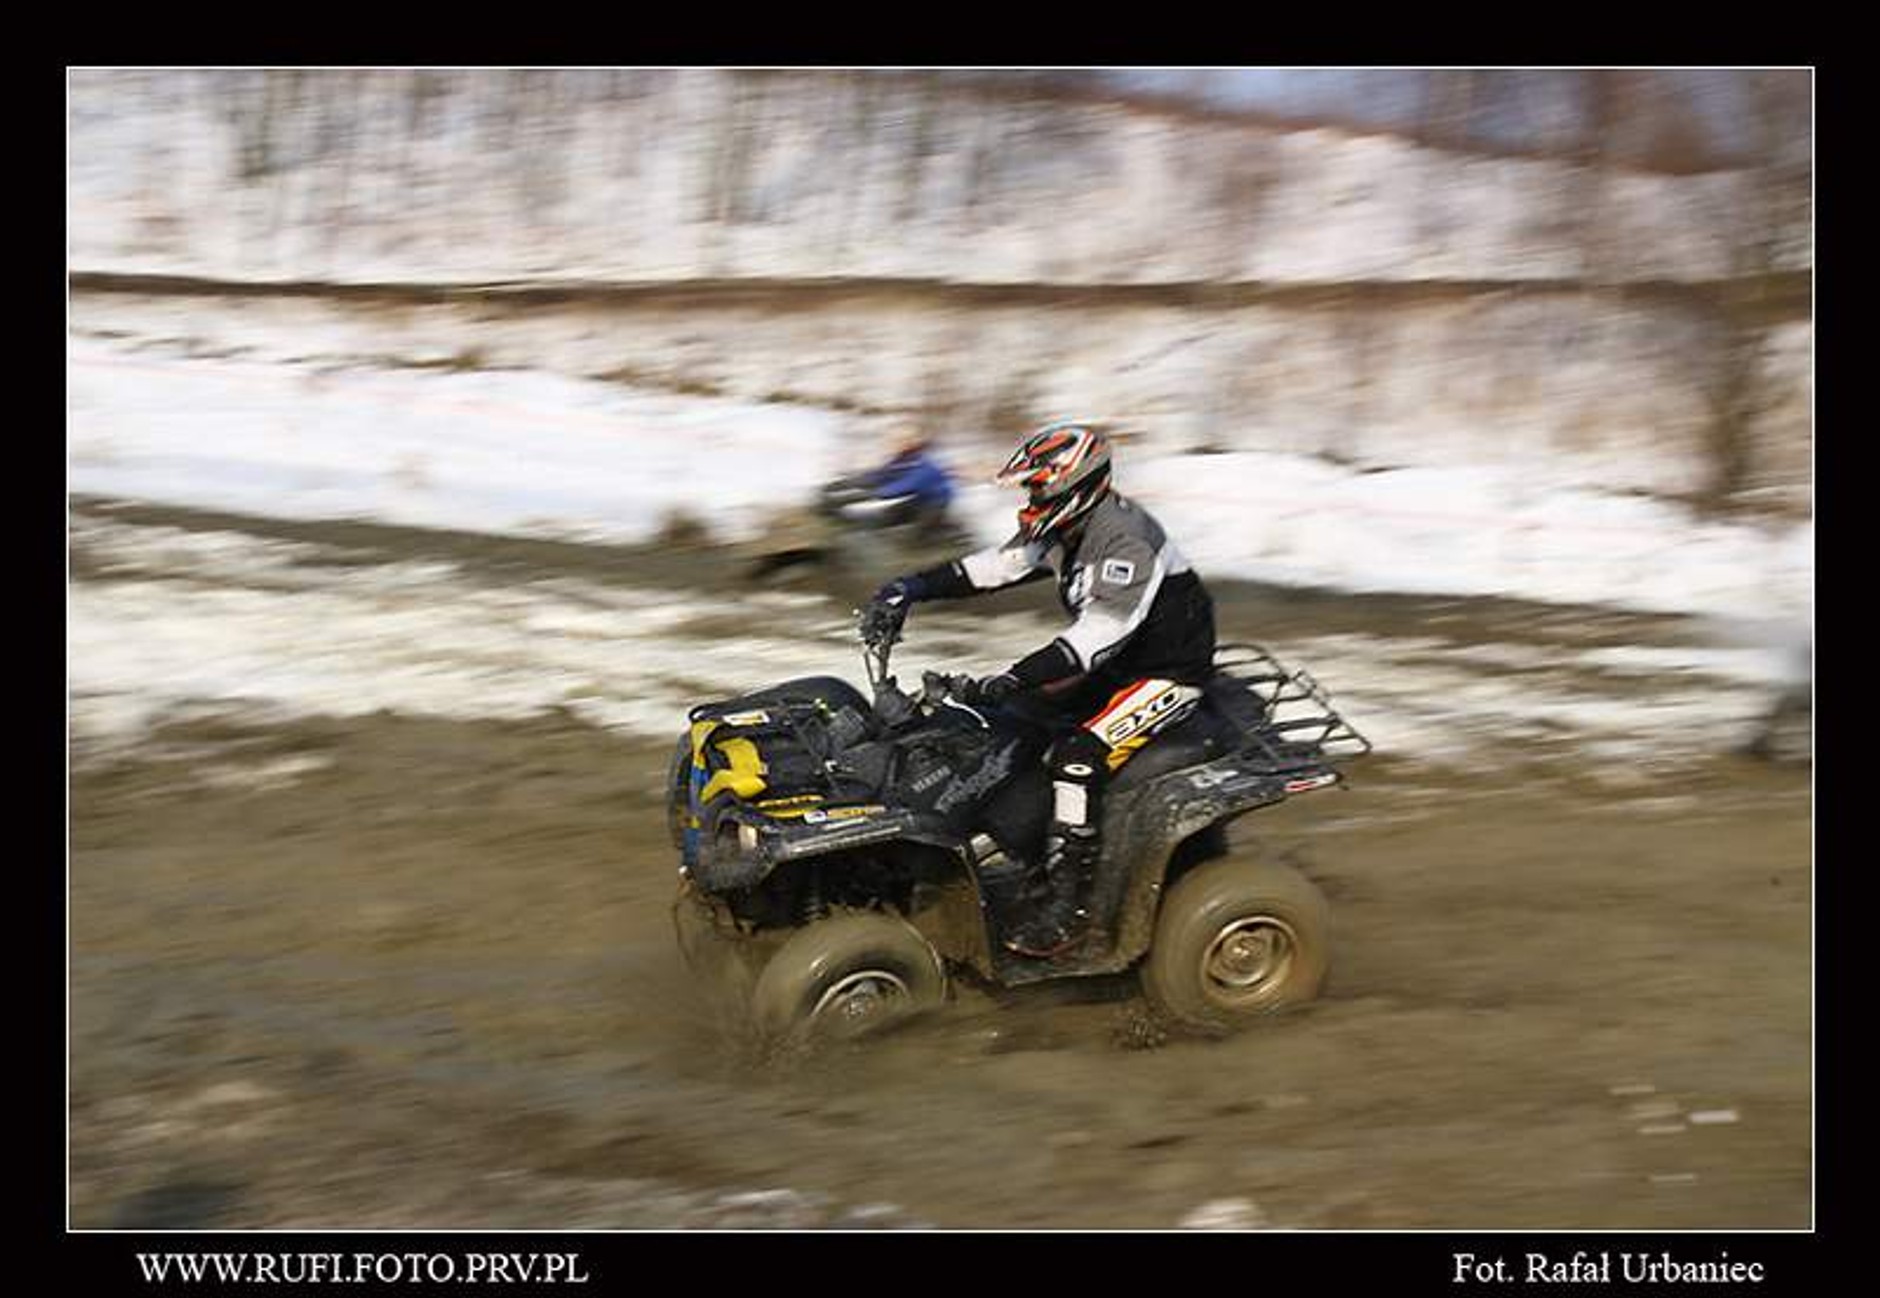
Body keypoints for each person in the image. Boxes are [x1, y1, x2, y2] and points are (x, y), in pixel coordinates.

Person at [864, 419, 1218, 958]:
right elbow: (995, 568)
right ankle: (1027, 856)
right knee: (1004, 727)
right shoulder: (1065, 528)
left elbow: (1095, 639)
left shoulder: (1125, 541)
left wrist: (1013, 675)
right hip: (1116, 664)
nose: (1029, 499)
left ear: (1070, 485)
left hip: (1165, 674)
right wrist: (908, 588)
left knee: (1077, 757)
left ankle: (1071, 912)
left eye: (1036, 486)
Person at [828, 425, 957, 531]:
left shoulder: (928, 462)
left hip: (935, 503)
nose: (897, 446)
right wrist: (847, 483)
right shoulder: (906, 456)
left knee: (910, 537)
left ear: (912, 443)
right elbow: (883, 474)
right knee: (882, 517)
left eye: (902, 442)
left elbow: (906, 485)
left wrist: (869, 495)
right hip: (921, 497)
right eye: (897, 443)